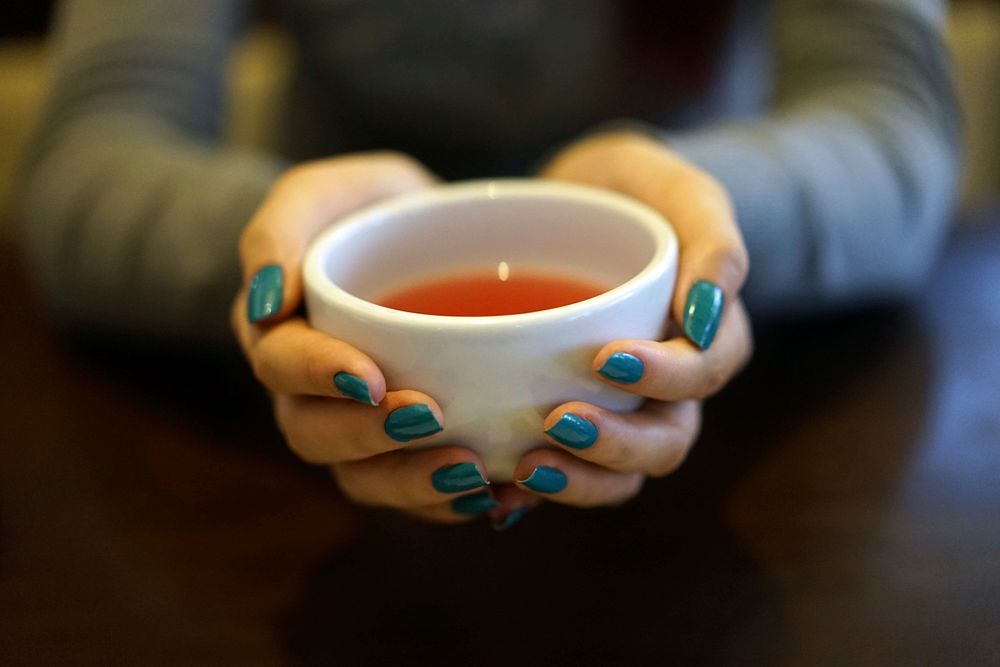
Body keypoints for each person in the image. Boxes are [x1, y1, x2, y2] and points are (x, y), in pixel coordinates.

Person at [15, 0, 959, 526]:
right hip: (312, 437)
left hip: (748, 437)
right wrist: (293, 253)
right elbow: (89, 152)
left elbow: (895, 116)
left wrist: (698, 226)